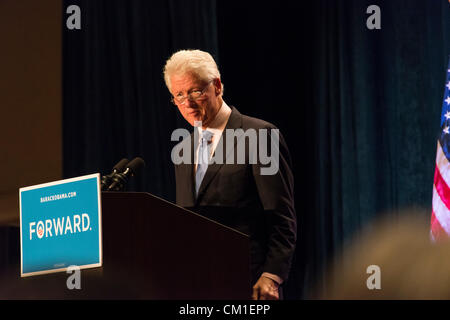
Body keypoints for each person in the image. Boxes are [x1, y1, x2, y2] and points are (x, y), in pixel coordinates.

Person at [163, 49, 297, 300]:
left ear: (217, 86)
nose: (187, 103)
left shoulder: (259, 135)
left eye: (195, 91)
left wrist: (272, 276)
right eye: (178, 95)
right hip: (197, 286)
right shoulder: (182, 150)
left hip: (249, 284)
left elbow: (281, 216)